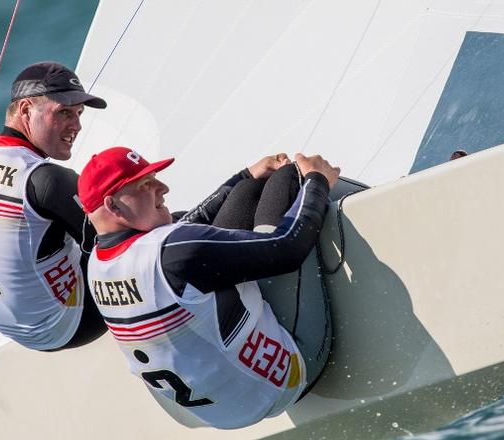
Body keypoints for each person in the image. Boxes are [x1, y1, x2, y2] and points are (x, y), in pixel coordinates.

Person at [78, 146, 340, 429]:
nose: (163, 187)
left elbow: (189, 231)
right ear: (114, 206)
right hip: (287, 382)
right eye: (146, 184)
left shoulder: (96, 263)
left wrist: (243, 176)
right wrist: (317, 180)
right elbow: (288, 248)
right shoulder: (175, 252)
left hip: (202, 412)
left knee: (246, 192)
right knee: (288, 180)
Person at [0, 61, 108, 350]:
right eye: (65, 112)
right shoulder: (45, 180)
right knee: (171, 233)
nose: (78, 125)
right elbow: (122, 240)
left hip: (11, 327)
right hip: (66, 324)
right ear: (25, 111)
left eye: (79, 114)